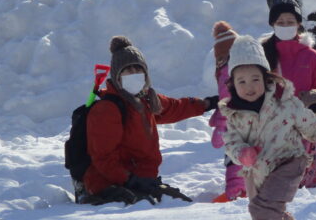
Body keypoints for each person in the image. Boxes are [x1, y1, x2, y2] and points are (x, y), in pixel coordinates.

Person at [219, 35, 316, 220]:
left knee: (266, 208)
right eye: (242, 81)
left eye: (255, 79)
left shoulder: (284, 103)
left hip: (288, 162)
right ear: (233, 85)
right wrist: (242, 153)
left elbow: (307, 122)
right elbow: (230, 142)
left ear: (266, 79)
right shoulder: (234, 115)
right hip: (256, 172)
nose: (249, 86)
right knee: (258, 209)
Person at [84, 36, 218, 204]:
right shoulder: (108, 109)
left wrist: (207, 104)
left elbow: (175, 107)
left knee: (181, 203)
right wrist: (130, 179)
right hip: (110, 184)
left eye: (138, 69)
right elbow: (103, 158)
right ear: (117, 76)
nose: (134, 74)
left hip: (142, 181)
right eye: (128, 70)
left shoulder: (146, 100)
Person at [207, 20, 248, 201]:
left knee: (234, 159)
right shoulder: (243, 69)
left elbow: (226, 102)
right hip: (247, 121)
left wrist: (220, 125)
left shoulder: (226, 72)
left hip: (235, 125)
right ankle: (243, 188)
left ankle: (236, 190)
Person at [261, 0, 316, 96]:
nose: (285, 26)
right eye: (280, 23)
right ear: (273, 24)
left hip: (304, 111)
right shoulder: (261, 54)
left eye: (290, 22)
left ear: (298, 24)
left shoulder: (313, 58)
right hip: (269, 112)